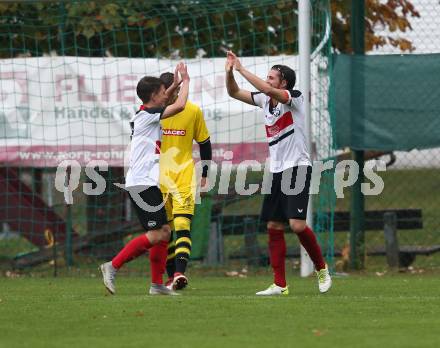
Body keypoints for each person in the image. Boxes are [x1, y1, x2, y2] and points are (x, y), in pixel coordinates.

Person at [225, 51, 332, 295]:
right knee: (274, 225)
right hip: (277, 171)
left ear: (283, 82)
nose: (268, 81)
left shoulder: (294, 97)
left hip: (298, 168)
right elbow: (233, 92)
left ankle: (322, 268)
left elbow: (270, 91)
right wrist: (229, 72)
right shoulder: (265, 101)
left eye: (271, 77)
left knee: (296, 225)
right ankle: (280, 284)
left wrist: (242, 69)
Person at [99, 62, 190, 296]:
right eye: (162, 92)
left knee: (165, 232)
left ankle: (157, 285)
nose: (166, 96)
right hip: (141, 183)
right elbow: (179, 105)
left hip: (147, 182)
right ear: (153, 96)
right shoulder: (149, 115)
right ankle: (112, 265)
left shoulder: (146, 111)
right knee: (156, 234)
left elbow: (166, 99)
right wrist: (186, 81)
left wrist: (174, 84)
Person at [148, 71, 211, 291]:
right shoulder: (154, 114)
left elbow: (204, 142)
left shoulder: (192, 110)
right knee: (166, 231)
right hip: (158, 179)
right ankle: (169, 277)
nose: (171, 96)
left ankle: (179, 274)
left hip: (184, 176)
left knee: (183, 225)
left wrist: (205, 173)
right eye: (167, 92)